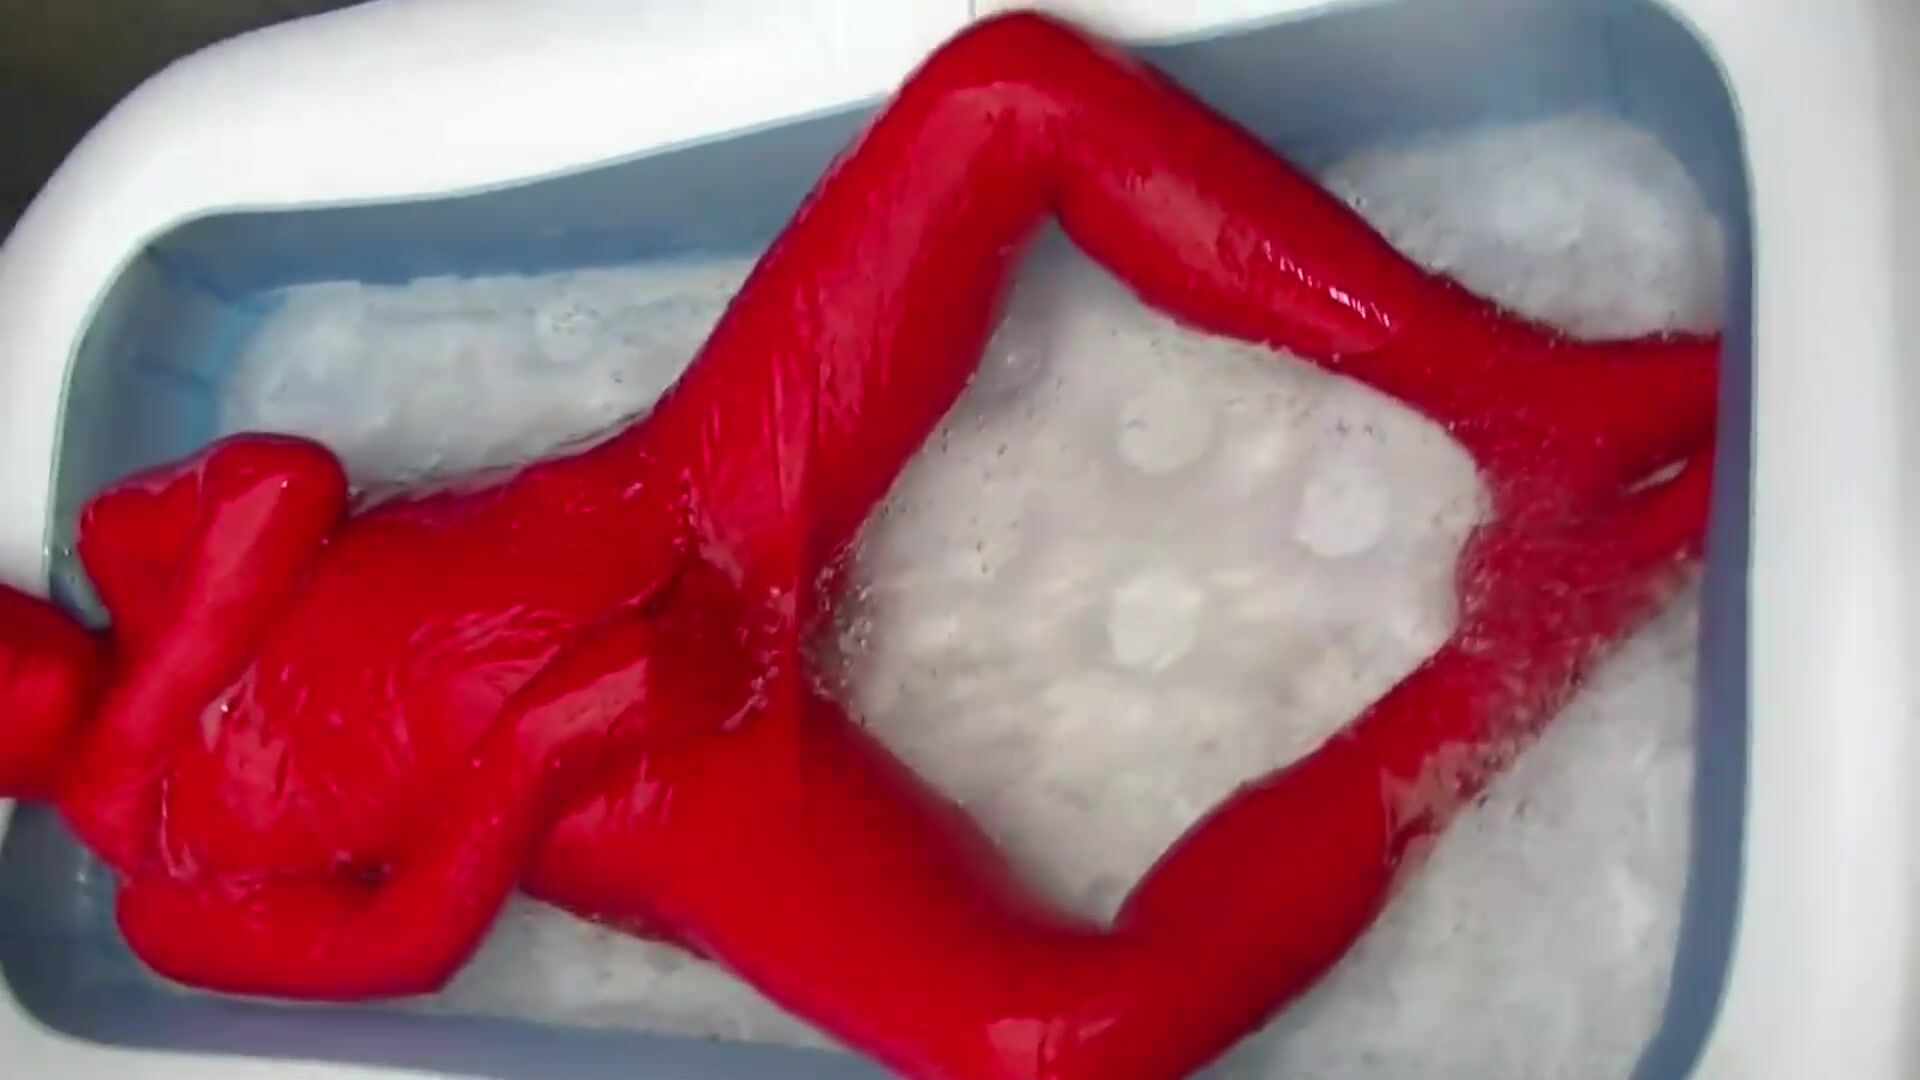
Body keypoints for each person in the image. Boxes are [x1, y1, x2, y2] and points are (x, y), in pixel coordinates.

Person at [0, 12, 1715, 1079]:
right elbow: (395, 948)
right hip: (668, 790)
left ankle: (1522, 393)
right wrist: (539, 750)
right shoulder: (169, 906)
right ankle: (1525, 645)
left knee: (1005, 95)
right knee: (1066, 1047)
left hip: (686, 499)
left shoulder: (124, 551)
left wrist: (154, 707)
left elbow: (279, 489)